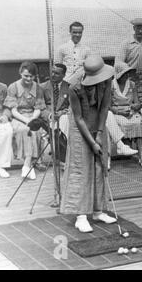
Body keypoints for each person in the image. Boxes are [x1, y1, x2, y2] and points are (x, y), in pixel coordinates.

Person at [60, 55, 117, 233]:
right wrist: (92, 142)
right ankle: (81, 216)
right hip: (80, 126)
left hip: (97, 120)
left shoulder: (107, 81)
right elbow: (78, 118)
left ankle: (98, 211)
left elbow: (104, 107)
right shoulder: (74, 87)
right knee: (81, 167)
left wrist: (99, 133)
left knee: (100, 165)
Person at [4, 61, 46, 180]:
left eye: (31, 76)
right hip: (18, 117)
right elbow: (13, 110)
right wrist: (26, 120)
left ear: (34, 76)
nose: (28, 78)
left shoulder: (38, 88)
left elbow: (38, 107)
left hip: (32, 115)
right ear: (20, 73)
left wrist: (32, 118)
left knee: (35, 131)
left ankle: (27, 165)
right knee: (24, 130)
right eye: (25, 75)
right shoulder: (13, 87)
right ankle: (28, 165)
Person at [109, 62, 142, 168]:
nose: (126, 75)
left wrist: (136, 106)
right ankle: (124, 148)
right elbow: (108, 106)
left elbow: (137, 102)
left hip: (131, 112)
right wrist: (119, 112)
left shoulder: (132, 84)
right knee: (122, 122)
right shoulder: (111, 85)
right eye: (124, 73)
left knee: (139, 122)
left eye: (127, 73)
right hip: (116, 113)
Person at [0, 81, 13, 178]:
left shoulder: (2, 87)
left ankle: (1, 165)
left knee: (6, 129)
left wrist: (5, 115)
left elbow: (7, 106)